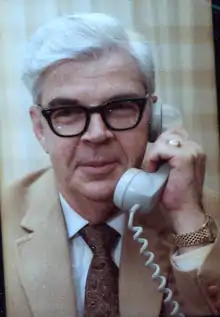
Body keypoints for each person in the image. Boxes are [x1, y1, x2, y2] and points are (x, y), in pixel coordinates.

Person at [1, 13, 220, 317]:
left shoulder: (204, 214)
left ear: (154, 120)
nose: (96, 135)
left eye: (119, 108)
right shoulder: (5, 220)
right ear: (40, 129)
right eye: (68, 111)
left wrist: (186, 219)